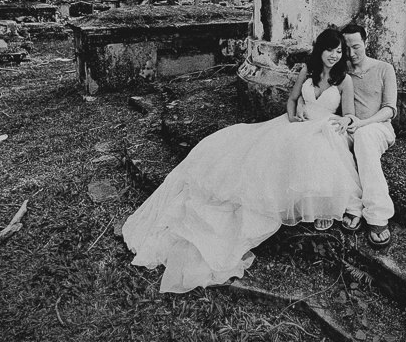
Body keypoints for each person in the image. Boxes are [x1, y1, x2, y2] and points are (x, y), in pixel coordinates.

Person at [122, 28, 362, 293]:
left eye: (339, 51)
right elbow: (292, 100)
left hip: (322, 129)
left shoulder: (344, 80)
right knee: (253, 153)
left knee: (312, 153)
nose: (335, 56)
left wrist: (342, 120)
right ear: (321, 50)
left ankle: (319, 207)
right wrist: (293, 117)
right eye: (330, 50)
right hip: (294, 125)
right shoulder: (308, 70)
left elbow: (349, 115)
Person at [329, 24, 397, 247]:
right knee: (329, 137)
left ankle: (378, 215)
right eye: (346, 48)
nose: (351, 53)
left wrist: (364, 123)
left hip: (377, 126)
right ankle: (352, 205)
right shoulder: (341, 71)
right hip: (350, 127)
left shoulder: (384, 68)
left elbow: (390, 108)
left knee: (364, 136)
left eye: (356, 46)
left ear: (366, 43)